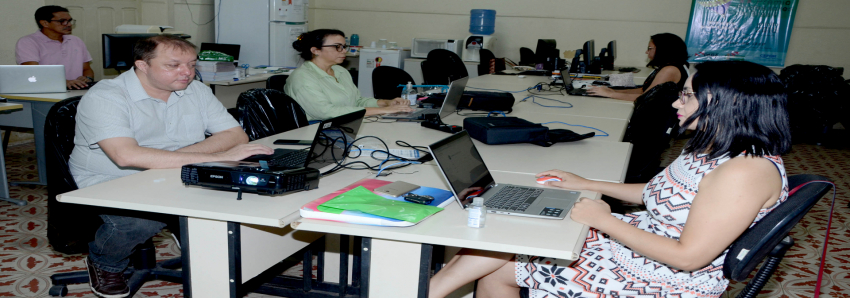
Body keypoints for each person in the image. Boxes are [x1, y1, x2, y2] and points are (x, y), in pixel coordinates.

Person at [428, 61, 792, 298]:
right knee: (510, 236)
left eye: (688, 96)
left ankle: (426, 289)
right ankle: (428, 288)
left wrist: (602, 220)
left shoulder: (745, 172)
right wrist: (585, 182)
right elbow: (657, 192)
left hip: (667, 281)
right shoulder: (714, 145)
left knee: (500, 266)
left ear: (727, 104)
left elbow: (689, 258)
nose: (677, 103)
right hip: (645, 243)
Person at [69, 35, 273, 298]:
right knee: (139, 222)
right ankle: (105, 262)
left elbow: (236, 136)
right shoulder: (106, 96)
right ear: (142, 66)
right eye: (173, 65)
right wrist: (198, 156)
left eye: (191, 64)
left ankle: (198, 238)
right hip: (111, 178)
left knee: (245, 193)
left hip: (174, 170)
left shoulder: (196, 90)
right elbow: (126, 157)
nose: (187, 72)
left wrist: (170, 157)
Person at [284, 29, 414, 121]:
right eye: (337, 47)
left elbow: (357, 101)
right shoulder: (302, 78)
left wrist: (386, 103)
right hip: (316, 129)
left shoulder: (340, 71)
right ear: (316, 50)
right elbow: (327, 113)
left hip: (346, 124)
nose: (344, 51)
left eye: (344, 46)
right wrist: (385, 110)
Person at [587, 33, 690, 101]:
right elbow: (644, 90)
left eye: (650, 48)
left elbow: (647, 97)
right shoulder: (671, 66)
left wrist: (611, 95)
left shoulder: (670, 70)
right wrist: (613, 91)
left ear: (663, 50)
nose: (646, 52)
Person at [16, 5, 95, 90]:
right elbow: (33, 73)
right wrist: (64, 82)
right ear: (45, 23)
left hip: (76, 91)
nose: (69, 24)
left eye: (69, 21)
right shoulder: (28, 42)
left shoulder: (75, 40)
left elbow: (87, 69)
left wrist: (87, 78)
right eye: (62, 21)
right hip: (45, 92)